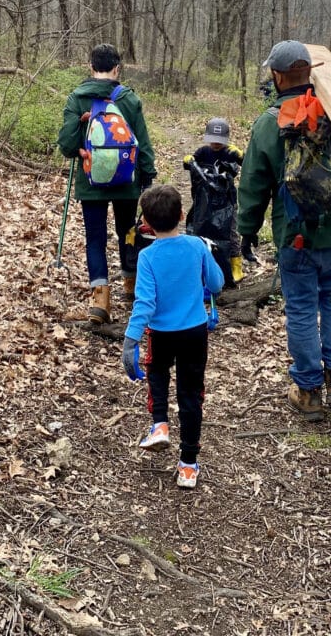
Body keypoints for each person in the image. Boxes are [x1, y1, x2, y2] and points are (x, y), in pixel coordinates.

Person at [237, 40, 331, 419]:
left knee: (304, 306)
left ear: (277, 76)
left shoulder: (270, 123)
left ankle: (308, 391)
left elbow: (254, 183)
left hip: (297, 232)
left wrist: (246, 230)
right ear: (311, 73)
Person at [121, 185, 224, 490]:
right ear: (181, 215)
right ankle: (189, 465)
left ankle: (160, 424)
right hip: (194, 331)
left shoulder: (147, 257)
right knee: (191, 394)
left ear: (146, 223)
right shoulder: (196, 246)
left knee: (157, 374)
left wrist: (131, 339)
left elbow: (145, 302)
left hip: (161, 333)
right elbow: (217, 284)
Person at [57, 43, 156, 325]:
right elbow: (143, 143)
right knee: (127, 231)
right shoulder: (128, 99)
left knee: (96, 239)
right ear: (117, 68)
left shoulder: (77, 98)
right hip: (127, 182)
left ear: (90, 67)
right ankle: (131, 283)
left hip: (91, 184)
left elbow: (65, 144)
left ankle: (100, 299)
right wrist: (148, 176)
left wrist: (78, 146)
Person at [183, 117, 254, 285]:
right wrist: (188, 160)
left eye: (219, 141)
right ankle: (203, 262)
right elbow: (190, 163)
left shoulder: (230, 152)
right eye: (213, 141)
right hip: (205, 200)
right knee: (203, 228)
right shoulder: (203, 152)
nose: (216, 144)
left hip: (227, 199)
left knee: (230, 231)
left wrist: (240, 155)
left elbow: (248, 164)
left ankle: (236, 264)